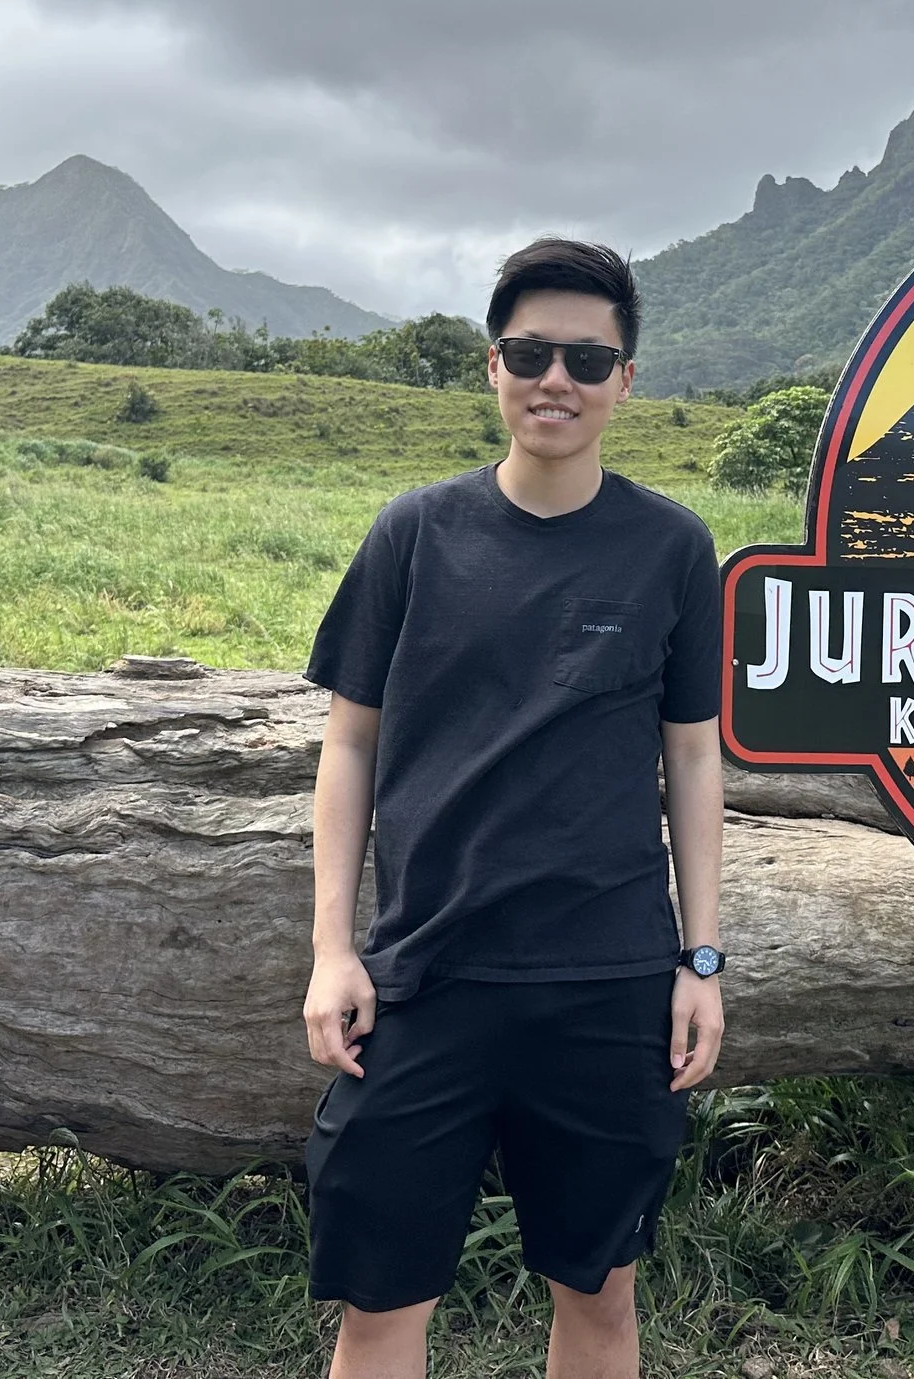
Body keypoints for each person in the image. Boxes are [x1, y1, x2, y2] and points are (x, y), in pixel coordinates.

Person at [299, 237, 727, 1379]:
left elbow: (692, 763)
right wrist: (331, 951)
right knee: (379, 1306)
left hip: (607, 980)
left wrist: (702, 963)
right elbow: (348, 746)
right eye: (532, 353)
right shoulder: (414, 534)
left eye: (587, 361)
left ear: (625, 381)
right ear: (492, 366)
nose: (558, 381)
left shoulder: (673, 548)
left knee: (598, 1297)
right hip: (424, 976)